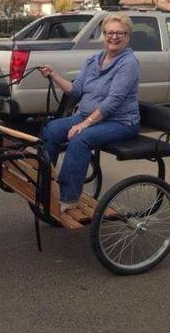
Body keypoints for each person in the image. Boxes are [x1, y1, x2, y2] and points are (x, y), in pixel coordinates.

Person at [39, 13, 141, 212]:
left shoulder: (128, 63)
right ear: (103, 35)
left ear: (128, 37)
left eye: (120, 33)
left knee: (81, 138)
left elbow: (113, 102)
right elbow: (75, 90)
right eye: (110, 32)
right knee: (50, 129)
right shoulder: (93, 60)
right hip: (89, 117)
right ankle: (45, 181)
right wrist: (53, 75)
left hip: (120, 122)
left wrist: (84, 124)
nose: (114, 37)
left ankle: (68, 198)